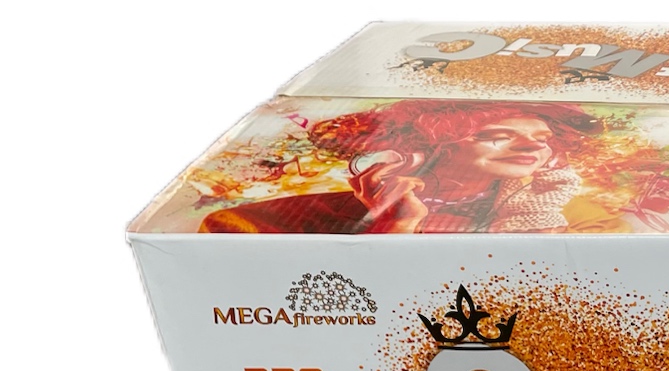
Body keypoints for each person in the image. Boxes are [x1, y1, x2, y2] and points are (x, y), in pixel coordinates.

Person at [200, 101, 599, 233]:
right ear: (428, 146)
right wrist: (393, 226)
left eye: (544, 138)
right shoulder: (254, 223)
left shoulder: (574, 219)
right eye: (497, 135)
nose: (533, 146)